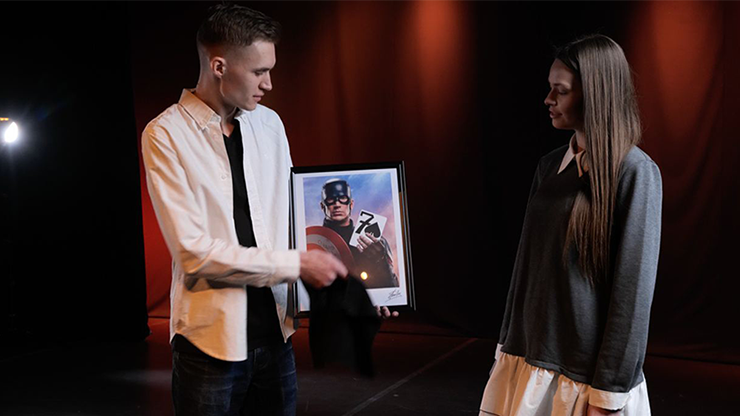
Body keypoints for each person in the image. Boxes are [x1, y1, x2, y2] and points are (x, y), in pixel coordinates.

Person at [140, 5, 391, 415]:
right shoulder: (165, 134)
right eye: (259, 71)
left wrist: (368, 289)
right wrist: (298, 264)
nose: (269, 84)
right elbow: (193, 253)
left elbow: (292, 226)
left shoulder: (270, 124)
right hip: (209, 347)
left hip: (276, 338)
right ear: (219, 66)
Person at [479, 34, 662, 416]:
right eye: (550, 89)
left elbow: (632, 295)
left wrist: (608, 395)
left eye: (560, 91)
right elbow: (525, 268)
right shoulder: (549, 166)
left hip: (583, 379)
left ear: (594, 94)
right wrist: (506, 344)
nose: (548, 99)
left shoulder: (635, 173)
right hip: (527, 361)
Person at [319, 178, 399, 289]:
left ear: (351, 204)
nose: (337, 204)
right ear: (322, 206)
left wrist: (381, 262)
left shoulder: (376, 242)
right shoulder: (311, 241)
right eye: (331, 199)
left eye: (342, 198)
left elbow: (392, 288)